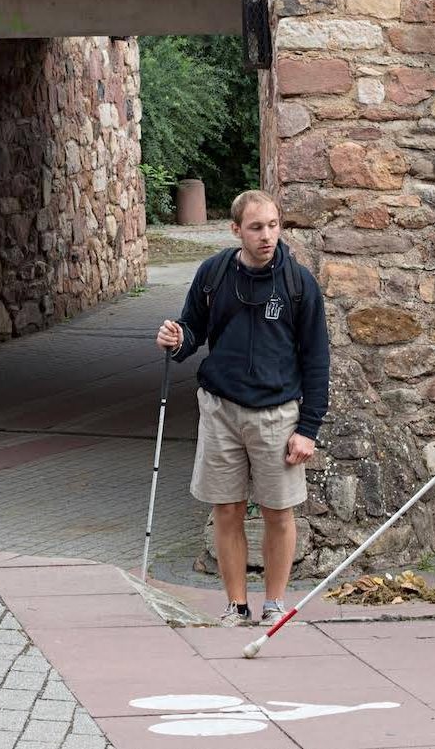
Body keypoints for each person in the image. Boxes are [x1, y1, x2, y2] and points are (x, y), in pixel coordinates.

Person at [156, 190, 330, 627]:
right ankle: (236, 606)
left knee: (278, 511)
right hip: (220, 409)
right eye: (256, 228)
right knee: (227, 509)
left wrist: (308, 428)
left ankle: (273, 603)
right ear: (236, 230)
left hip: (277, 412)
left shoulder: (298, 282)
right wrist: (178, 340)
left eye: (273, 225)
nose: (267, 235)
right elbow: (192, 327)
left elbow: (317, 358)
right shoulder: (213, 273)